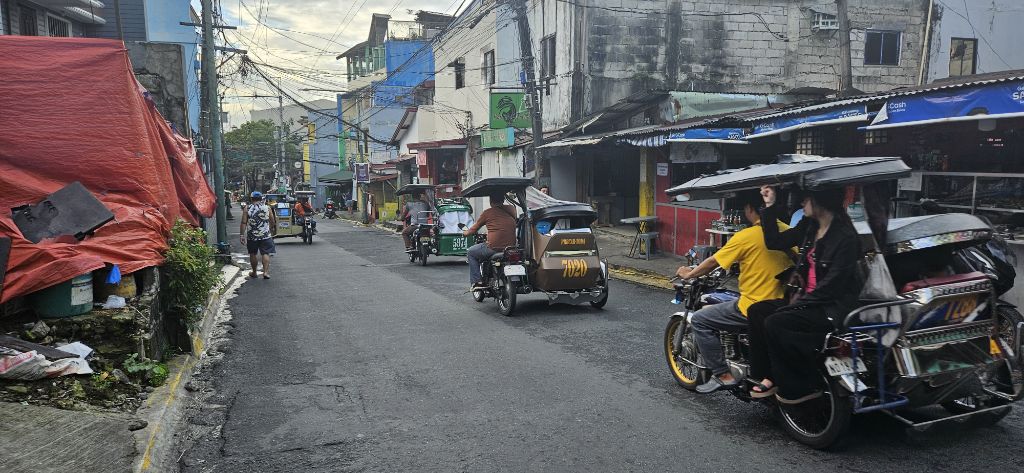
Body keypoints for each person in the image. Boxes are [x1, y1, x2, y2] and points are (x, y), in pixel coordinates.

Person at [674, 188, 793, 394]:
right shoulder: (787, 231)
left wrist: (689, 274)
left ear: (749, 209)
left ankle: (723, 374)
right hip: (785, 304)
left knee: (701, 319)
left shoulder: (746, 236)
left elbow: (713, 261)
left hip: (752, 307)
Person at [755, 187, 864, 404]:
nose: (802, 203)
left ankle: (799, 385)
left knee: (776, 322)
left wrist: (795, 306)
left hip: (831, 307)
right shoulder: (809, 227)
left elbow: (832, 286)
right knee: (757, 311)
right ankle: (766, 375)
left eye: (806, 199)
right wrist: (769, 206)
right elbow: (774, 242)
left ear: (819, 201)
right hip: (806, 301)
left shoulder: (846, 237)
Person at [462, 193, 518, 290]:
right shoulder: (512, 210)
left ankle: (477, 282)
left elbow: (473, 229)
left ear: (491, 201)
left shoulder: (487, 213)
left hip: (494, 247)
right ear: (503, 200)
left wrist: (465, 233)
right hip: (511, 247)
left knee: (471, 252)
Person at [240, 191, 277, 280]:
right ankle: (265, 272)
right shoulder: (267, 208)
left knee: (252, 253)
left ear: (251, 198)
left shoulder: (247, 208)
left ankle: (254, 272)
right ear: (261, 199)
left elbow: (244, 222)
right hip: (265, 235)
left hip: (252, 236)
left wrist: (242, 235)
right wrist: (270, 229)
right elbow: (272, 221)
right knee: (265, 253)